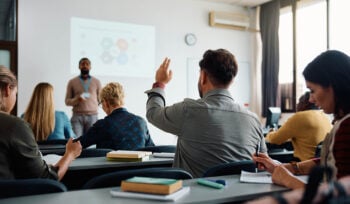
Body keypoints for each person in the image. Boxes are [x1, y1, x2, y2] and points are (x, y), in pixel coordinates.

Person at [145, 49, 267, 178]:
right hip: (241, 197)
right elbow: (264, 163)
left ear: (203, 76)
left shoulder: (189, 111)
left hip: (194, 197)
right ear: (231, 80)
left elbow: (153, 113)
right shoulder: (253, 120)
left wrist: (160, 83)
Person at [252, 50, 350, 190]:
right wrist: (283, 168)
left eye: (313, 90)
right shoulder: (338, 121)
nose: (310, 99)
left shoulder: (347, 127)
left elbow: (342, 197)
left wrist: (289, 180)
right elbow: (326, 163)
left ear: (332, 86)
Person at [0, 66, 81, 180]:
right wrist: (70, 154)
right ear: (8, 89)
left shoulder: (24, 117)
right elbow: (45, 177)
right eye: (16, 93)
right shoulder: (15, 125)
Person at [80, 82, 154, 150]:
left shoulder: (102, 125)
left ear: (105, 102)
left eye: (101, 104)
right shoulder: (141, 122)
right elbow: (152, 149)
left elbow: (78, 145)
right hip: (138, 164)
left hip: (110, 165)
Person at [265, 91, 332, 161]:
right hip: (321, 164)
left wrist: (270, 132)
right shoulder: (326, 116)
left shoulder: (300, 117)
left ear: (302, 103)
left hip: (304, 164)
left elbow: (275, 139)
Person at [65, 57, 102, 137]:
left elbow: (101, 100)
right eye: (82, 64)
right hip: (77, 116)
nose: (85, 66)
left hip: (92, 116)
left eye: (87, 64)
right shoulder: (72, 82)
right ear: (79, 66)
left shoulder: (97, 82)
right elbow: (67, 101)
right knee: (76, 141)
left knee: (91, 143)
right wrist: (77, 99)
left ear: (90, 67)